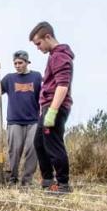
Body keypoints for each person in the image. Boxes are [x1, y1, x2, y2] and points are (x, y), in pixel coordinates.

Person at [29, 21, 74, 193]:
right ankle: (48, 181)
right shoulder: (54, 56)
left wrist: (52, 112)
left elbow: (62, 86)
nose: (38, 48)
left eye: (38, 43)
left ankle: (63, 184)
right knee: (39, 143)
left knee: (53, 144)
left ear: (48, 37)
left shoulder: (60, 56)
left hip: (55, 107)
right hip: (48, 107)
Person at [0, 50, 42, 186]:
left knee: (32, 150)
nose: (17, 65)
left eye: (20, 63)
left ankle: (26, 182)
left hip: (33, 121)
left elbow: (43, 97)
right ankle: (13, 179)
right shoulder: (9, 78)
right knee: (15, 151)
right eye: (15, 63)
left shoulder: (36, 77)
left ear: (27, 63)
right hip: (14, 121)